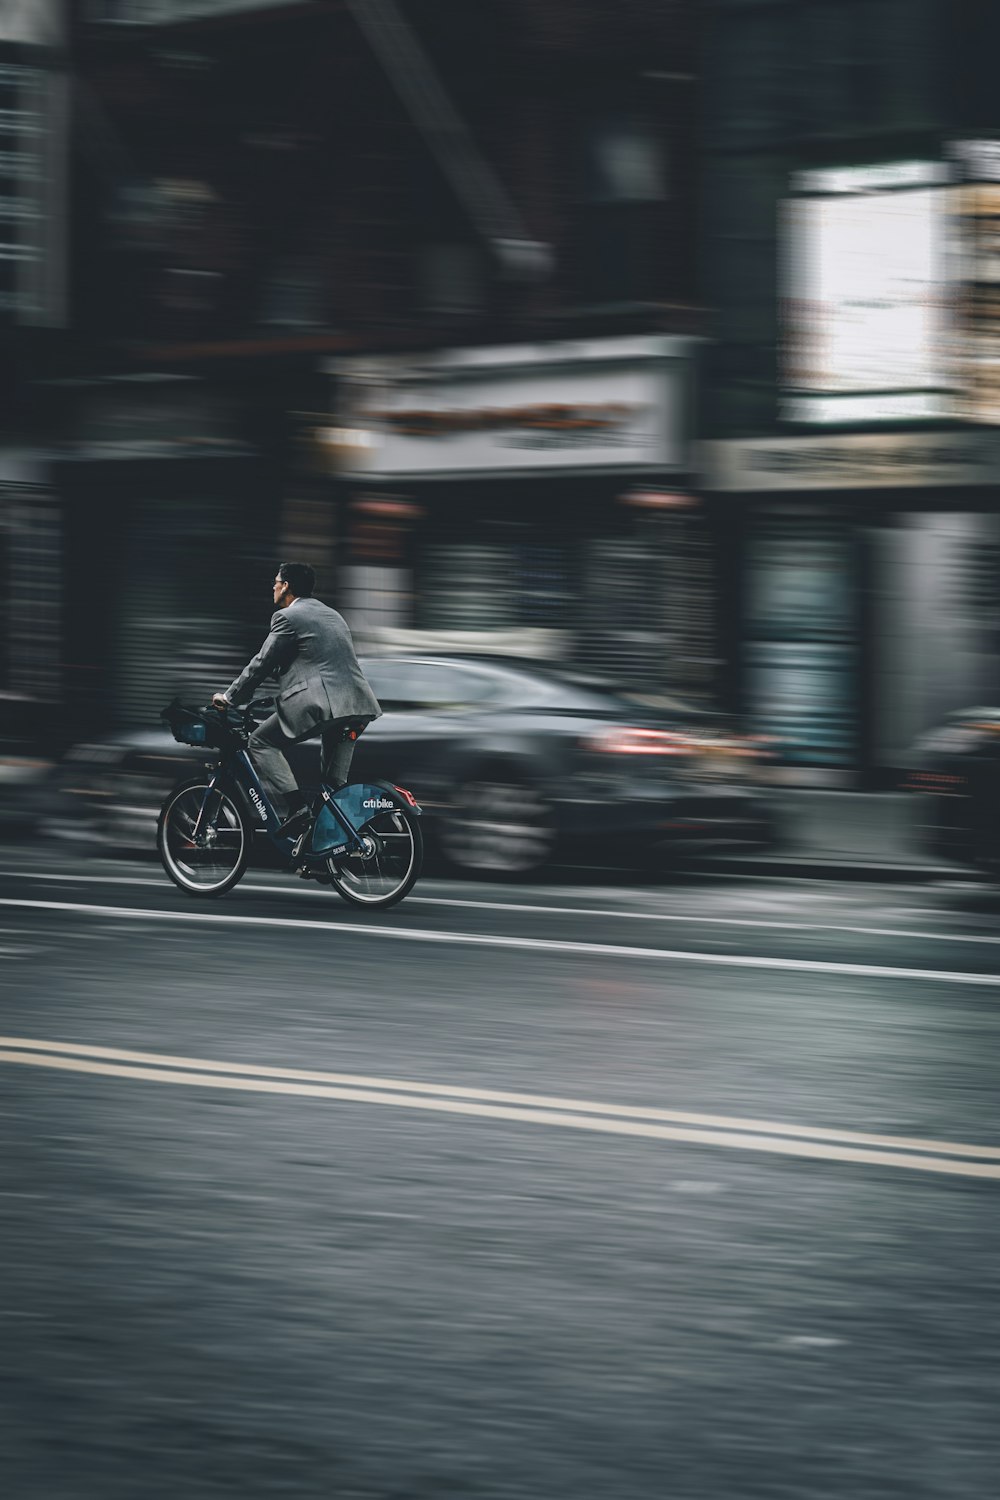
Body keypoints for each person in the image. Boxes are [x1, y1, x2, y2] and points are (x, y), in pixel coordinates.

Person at [213, 562, 381, 837]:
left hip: (322, 704)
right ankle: (329, 850)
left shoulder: (288, 617)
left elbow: (262, 663)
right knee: (332, 788)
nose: (274, 586)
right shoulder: (333, 615)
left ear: (287, 586)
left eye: (276, 581)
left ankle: (295, 807)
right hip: (357, 705)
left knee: (260, 741)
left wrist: (230, 697)